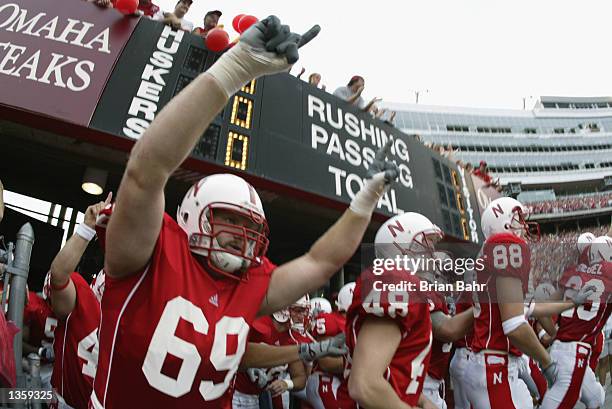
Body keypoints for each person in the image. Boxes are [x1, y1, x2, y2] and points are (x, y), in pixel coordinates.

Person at [93, 16, 399, 409]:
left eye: (249, 225)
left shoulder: (251, 284)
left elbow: (323, 261)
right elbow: (145, 170)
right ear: (194, 215)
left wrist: (364, 202)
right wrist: (235, 68)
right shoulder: (148, 253)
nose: (241, 234)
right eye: (231, 220)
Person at [464, 197, 556, 409]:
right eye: (518, 219)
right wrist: (548, 362)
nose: (523, 225)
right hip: (493, 363)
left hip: (494, 362)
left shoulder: (489, 252)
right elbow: (514, 325)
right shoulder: (505, 245)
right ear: (504, 223)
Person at [45, 195, 110, 409]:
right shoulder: (83, 299)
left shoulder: (145, 315)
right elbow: (60, 274)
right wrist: (88, 227)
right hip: (65, 402)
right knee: (11, 395)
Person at [539, 235, 612, 408]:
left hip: (558, 351)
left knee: (596, 397)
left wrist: (555, 334)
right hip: (574, 355)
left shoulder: (574, 273)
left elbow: (542, 311)